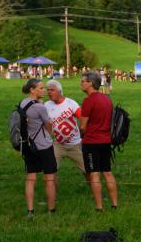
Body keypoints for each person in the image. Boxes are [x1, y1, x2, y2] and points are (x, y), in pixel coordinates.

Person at [78, 71, 119, 210]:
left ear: (90, 83)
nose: (81, 83)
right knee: (107, 172)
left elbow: (83, 126)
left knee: (94, 173)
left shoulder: (88, 100)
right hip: (106, 141)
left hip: (91, 142)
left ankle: (99, 207)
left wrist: (82, 132)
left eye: (83, 81)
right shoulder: (107, 99)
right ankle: (114, 204)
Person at [18, 79, 56, 216]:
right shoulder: (40, 107)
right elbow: (48, 125)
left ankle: (30, 210)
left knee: (31, 178)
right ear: (32, 90)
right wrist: (50, 133)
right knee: (49, 178)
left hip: (29, 146)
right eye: (40, 88)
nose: (44, 90)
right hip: (44, 146)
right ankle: (51, 210)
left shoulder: (23, 103)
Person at [44, 80, 88, 195]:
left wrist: (84, 137)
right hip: (58, 145)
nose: (49, 92)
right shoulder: (46, 105)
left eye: (52, 90)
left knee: (88, 171)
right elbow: (46, 124)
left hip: (75, 145)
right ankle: (53, 196)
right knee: (50, 172)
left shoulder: (70, 103)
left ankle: (97, 193)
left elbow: (83, 118)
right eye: (47, 90)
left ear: (59, 91)